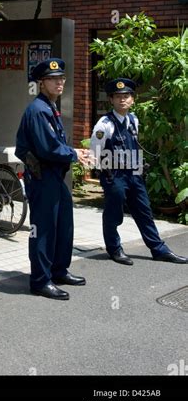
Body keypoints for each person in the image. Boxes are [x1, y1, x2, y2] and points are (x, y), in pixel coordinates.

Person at [15, 58, 91, 300]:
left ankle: (58, 271)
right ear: (41, 83)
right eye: (53, 79)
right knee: (44, 230)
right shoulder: (38, 110)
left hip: (54, 177)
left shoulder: (50, 107)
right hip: (42, 177)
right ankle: (40, 280)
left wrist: (73, 152)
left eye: (61, 79)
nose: (59, 83)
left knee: (63, 226)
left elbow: (55, 143)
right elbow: (48, 148)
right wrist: (74, 154)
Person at [90, 78, 187, 265]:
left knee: (144, 211)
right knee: (114, 214)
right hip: (115, 175)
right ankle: (114, 249)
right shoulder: (104, 124)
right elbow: (94, 153)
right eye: (118, 96)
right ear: (111, 100)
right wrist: (106, 174)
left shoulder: (133, 120)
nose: (122, 100)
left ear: (132, 99)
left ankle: (159, 249)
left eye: (126, 96)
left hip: (134, 174)